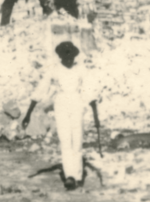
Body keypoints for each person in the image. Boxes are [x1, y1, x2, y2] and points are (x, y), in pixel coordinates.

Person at [27, 41, 100, 190]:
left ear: (74, 56)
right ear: (60, 57)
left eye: (71, 57)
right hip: (61, 105)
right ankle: (70, 176)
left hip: (77, 104)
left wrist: (96, 115)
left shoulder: (81, 70)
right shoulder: (54, 70)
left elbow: (89, 91)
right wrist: (28, 114)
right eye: (65, 57)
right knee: (66, 141)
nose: (69, 60)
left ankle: (78, 175)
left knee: (77, 141)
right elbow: (41, 89)